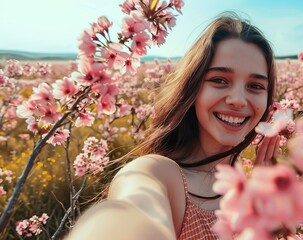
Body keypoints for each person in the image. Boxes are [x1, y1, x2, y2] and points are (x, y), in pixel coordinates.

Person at [66, 12, 279, 240]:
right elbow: (132, 208)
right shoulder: (159, 174)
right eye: (219, 80)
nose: (237, 99)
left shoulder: (244, 186)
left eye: (255, 86)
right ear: (192, 87)